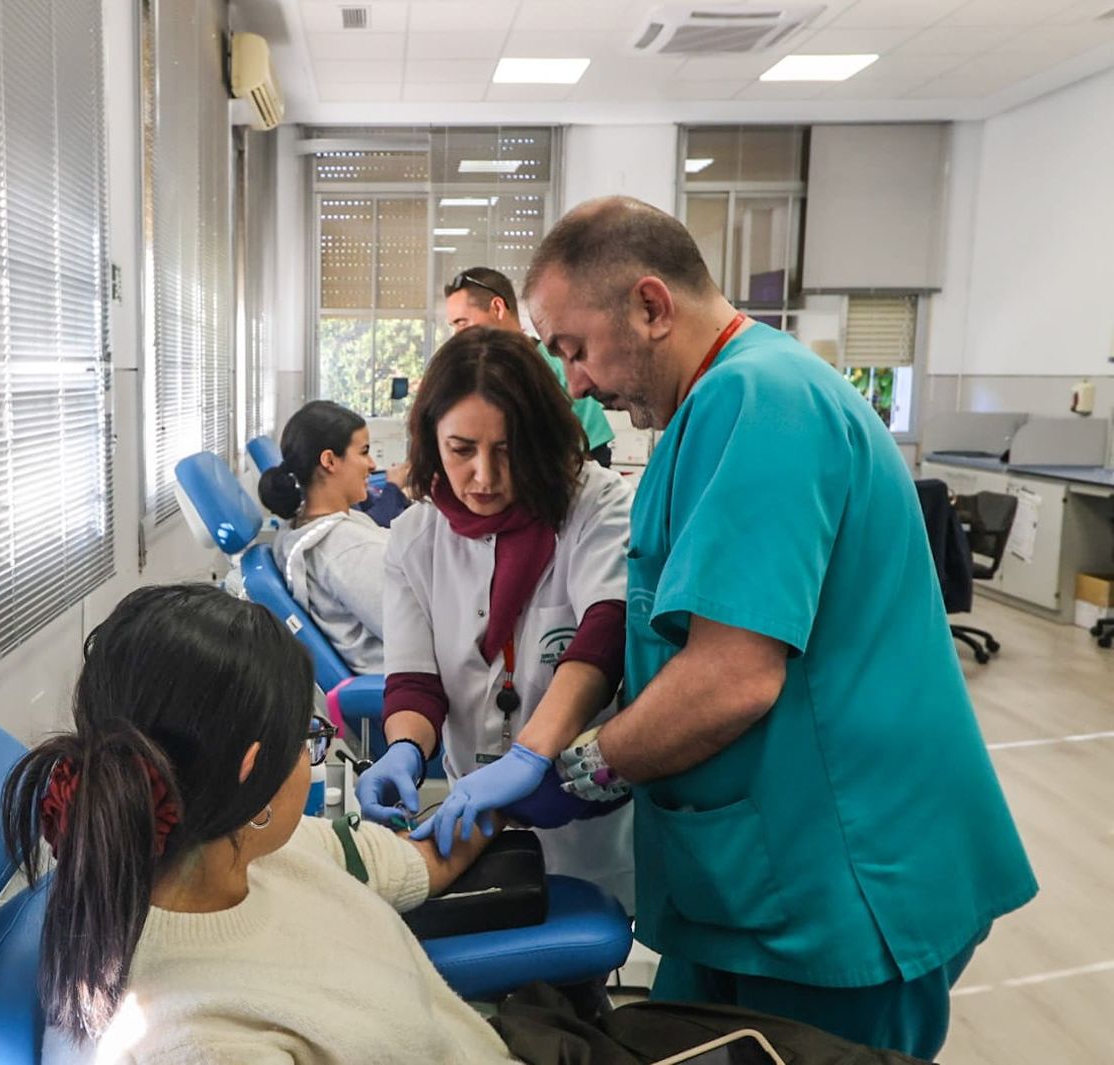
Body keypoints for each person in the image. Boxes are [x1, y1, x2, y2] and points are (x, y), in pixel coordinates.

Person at [521, 196, 1037, 1058]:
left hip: (837, 881)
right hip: (746, 877)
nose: (573, 381)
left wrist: (582, 769)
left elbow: (731, 676)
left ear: (651, 307)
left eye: (574, 347)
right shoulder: (718, 406)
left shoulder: (763, 401)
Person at [0, 584, 518, 1062]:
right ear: (253, 769)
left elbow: (417, 863)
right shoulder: (197, 1042)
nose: (310, 754)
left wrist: (502, 799)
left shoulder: (256, 850)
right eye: (309, 739)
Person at [354, 326, 637, 907]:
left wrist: (533, 755)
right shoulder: (414, 536)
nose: (483, 476)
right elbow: (415, 681)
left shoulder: (595, 505)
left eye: (507, 450)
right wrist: (404, 748)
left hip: (581, 803)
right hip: (474, 803)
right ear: (432, 439)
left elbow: (604, 635)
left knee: (585, 936)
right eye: (461, 450)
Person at [258, 400, 393, 674]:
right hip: (409, 685)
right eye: (364, 452)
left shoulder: (301, 527)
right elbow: (413, 634)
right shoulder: (343, 549)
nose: (372, 464)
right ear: (329, 460)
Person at [445, 266, 617, 468]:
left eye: (462, 323)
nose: (458, 335)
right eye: (453, 326)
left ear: (498, 308)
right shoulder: (487, 372)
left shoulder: (552, 362)